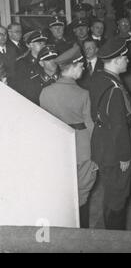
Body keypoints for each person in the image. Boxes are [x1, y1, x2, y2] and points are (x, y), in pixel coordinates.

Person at [39, 49, 98, 228]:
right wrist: (97, 153)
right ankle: (82, 232)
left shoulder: (45, 92)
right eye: (81, 66)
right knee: (82, 192)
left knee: (60, 190)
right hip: (81, 146)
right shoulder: (83, 94)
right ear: (72, 68)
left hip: (56, 147)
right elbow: (90, 126)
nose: (83, 69)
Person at [89, 38, 131, 230]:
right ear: (116, 60)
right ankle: (115, 240)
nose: (128, 60)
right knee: (118, 196)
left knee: (110, 193)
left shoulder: (99, 78)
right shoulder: (115, 89)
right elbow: (119, 127)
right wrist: (125, 156)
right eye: (125, 58)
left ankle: (109, 236)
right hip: (115, 150)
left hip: (102, 145)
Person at [13, 30, 51, 104]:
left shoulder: (49, 60)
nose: (43, 45)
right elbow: (21, 89)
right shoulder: (22, 64)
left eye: (44, 43)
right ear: (29, 45)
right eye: (40, 43)